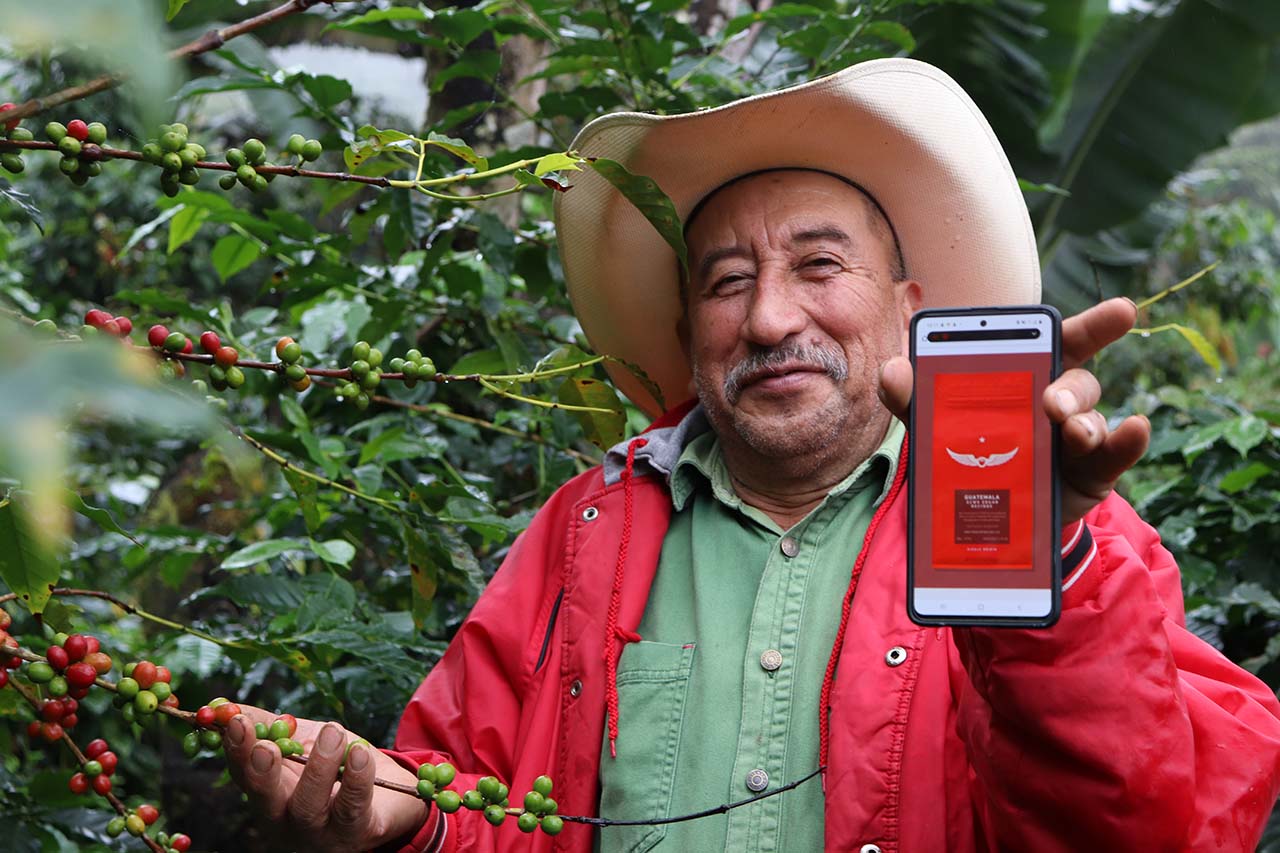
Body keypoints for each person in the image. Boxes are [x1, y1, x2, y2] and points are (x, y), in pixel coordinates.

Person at [223, 59, 1280, 852]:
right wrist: (409, 818)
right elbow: (492, 798)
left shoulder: (1035, 525)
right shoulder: (585, 527)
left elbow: (1147, 828)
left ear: (909, 311)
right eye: (725, 282)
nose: (770, 318)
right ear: (687, 334)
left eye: (819, 264)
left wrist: (1041, 580)